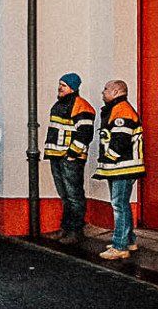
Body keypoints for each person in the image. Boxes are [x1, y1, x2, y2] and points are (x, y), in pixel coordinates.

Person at [42, 73, 97, 244]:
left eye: (63, 85)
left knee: (73, 196)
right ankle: (66, 229)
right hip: (58, 156)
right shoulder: (60, 104)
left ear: (73, 88)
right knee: (65, 195)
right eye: (60, 84)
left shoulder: (81, 106)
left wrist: (72, 154)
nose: (60, 87)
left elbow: (85, 133)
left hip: (69, 158)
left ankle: (75, 232)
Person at [93, 79, 145, 260]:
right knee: (122, 204)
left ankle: (119, 246)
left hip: (122, 167)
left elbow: (120, 140)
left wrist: (109, 158)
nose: (103, 92)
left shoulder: (121, 110)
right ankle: (128, 240)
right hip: (120, 167)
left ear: (116, 91)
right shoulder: (118, 109)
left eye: (106, 89)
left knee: (119, 205)